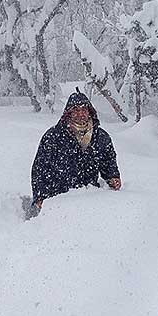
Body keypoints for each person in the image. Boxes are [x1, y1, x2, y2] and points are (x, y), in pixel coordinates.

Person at [26, 87, 121, 219]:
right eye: (75, 110)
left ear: (90, 112)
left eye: (83, 109)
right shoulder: (53, 137)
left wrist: (113, 177)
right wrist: (40, 196)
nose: (80, 113)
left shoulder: (101, 137)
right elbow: (40, 169)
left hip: (89, 199)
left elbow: (108, 160)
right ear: (68, 113)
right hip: (58, 200)